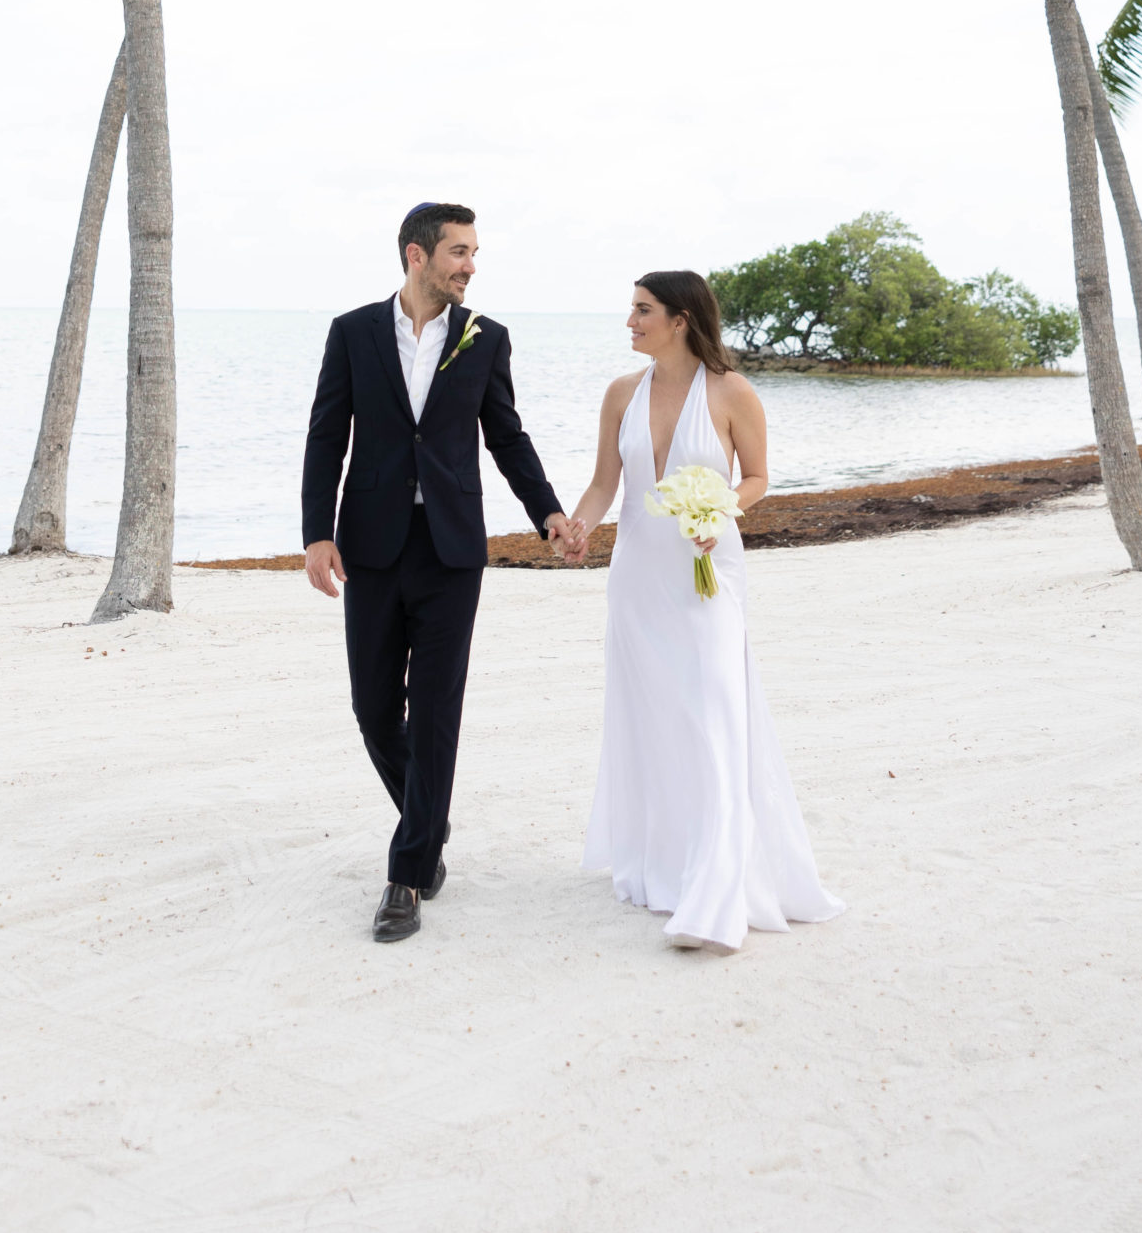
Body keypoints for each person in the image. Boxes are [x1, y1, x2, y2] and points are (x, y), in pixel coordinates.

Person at [302, 201, 584, 942]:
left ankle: (408, 874)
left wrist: (548, 514)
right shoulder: (353, 332)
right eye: (458, 252)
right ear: (415, 255)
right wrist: (315, 536)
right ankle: (428, 815)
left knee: (434, 710)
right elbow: (326, 437)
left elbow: (507, 437)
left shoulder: (487, 339)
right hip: (370, 544)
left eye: (474, 253)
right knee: (371, 708)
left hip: (453, 549)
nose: (470, 266)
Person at [568, 268, 844, 952]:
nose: (629, 322)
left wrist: (718, 509)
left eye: (641, 311)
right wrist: (576, 526)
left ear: (681, 318)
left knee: (714, 712)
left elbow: (756, 476)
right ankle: (666, 863)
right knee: (652, 714)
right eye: (630, 309)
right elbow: (606, 483)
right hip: (636, 576)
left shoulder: (730, 391)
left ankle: (718, 888)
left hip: (706, 575)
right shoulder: (619, 394)